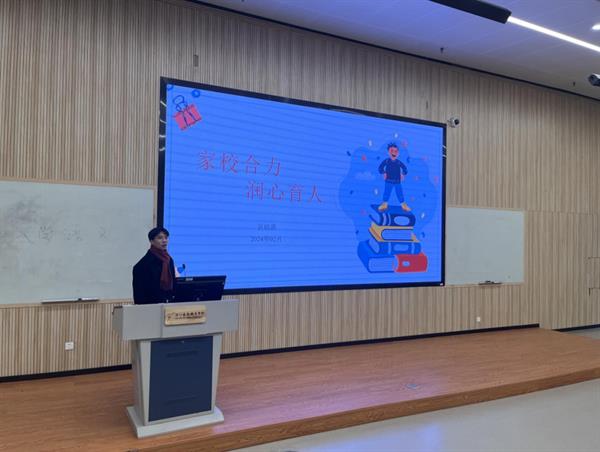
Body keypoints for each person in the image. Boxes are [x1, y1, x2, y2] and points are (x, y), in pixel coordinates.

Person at [132, 227, 178, 304]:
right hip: (151, 305)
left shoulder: (169, 260)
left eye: (166, 238)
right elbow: (139, 294)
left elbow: (173, 284)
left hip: (168, 303)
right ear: (151, 241)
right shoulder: (143, 264)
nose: (164, 240)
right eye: (160, 238)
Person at [377, 142, 411, 212]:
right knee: (387, 192)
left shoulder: (398, 162)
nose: (394, 153)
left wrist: (403, 174)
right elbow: (380, 167)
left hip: (397, 181)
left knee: (399, 193)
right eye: (392, 151)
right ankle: (384, 204)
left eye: (396, 151)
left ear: (398, 153)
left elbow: (405, 168)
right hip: (388, 180)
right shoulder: (386, 161)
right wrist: (383, 172)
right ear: (388, 152)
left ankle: (403, 205)